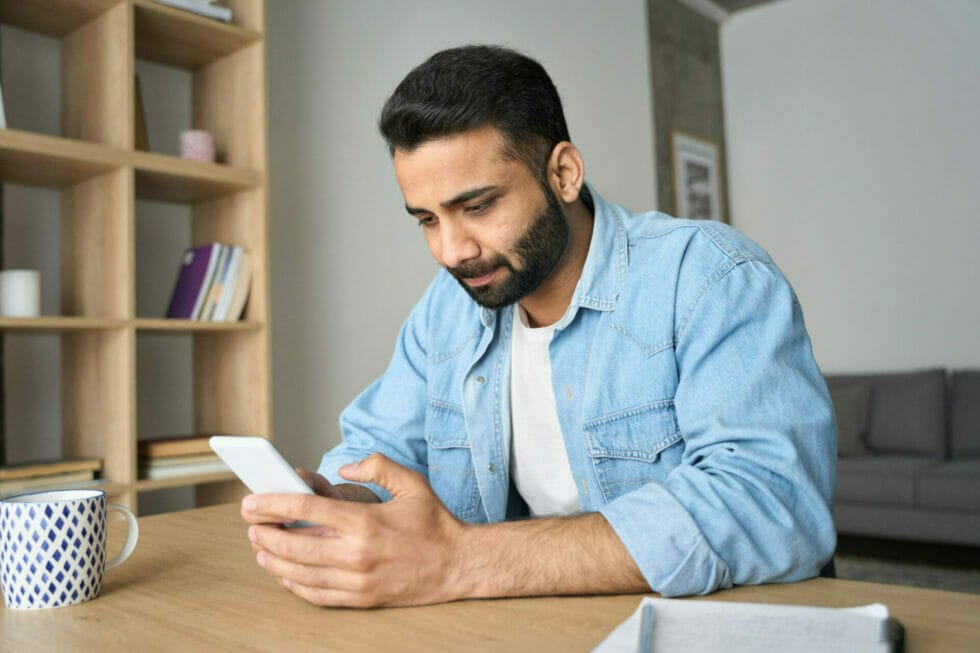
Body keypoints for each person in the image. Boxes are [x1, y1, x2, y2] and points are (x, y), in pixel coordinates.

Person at [240, 45, 836, 608]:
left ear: (564, 173)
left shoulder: (710, 276)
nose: (451, 251)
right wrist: (342, 502)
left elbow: (768, 503)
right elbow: (381, 448)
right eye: (426, 218)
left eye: (477, 207)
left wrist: (459, 560)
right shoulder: (446, 311)